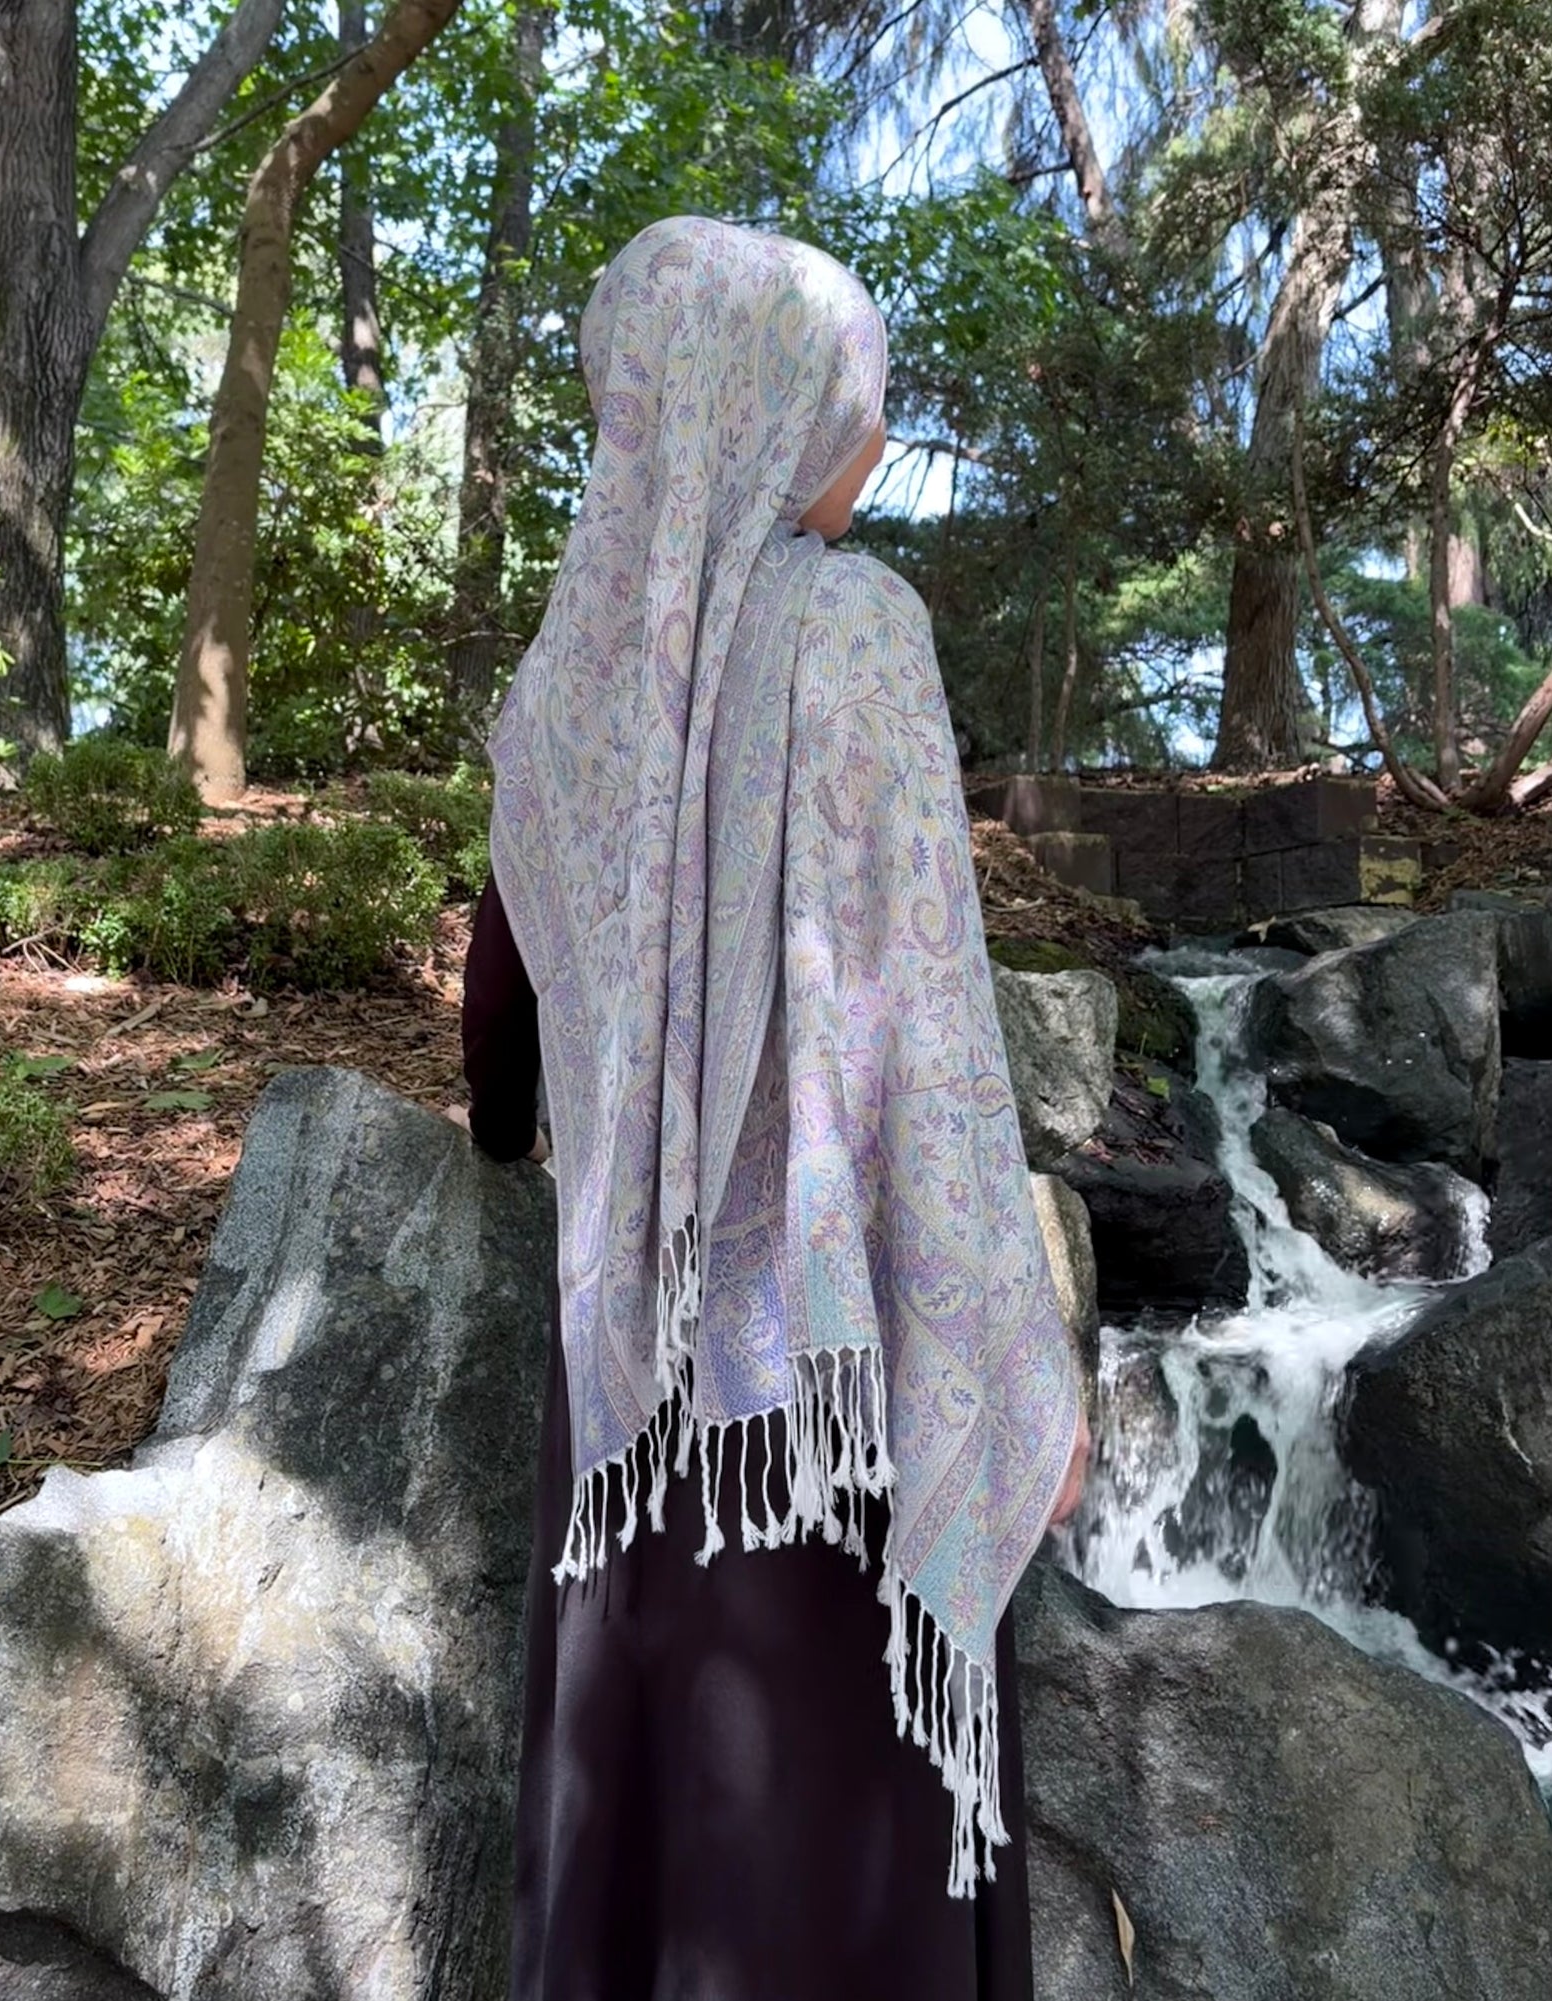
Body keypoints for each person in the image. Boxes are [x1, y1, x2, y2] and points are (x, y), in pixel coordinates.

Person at [452, 215, 1091, 2001]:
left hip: (633, 1387)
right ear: (752, 411)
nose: (870, 439)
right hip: (831, 1382)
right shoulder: (858, 631)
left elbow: (500, 1022)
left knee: (643, 1834)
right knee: (829, 1849)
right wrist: (1009, 1350)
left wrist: (547, 1133)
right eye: (846, 398)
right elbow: (936, 1036)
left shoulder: (572, 684)